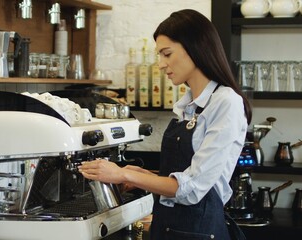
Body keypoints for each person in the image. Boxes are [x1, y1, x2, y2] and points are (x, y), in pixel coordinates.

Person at [79, 9, 252, 240]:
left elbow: (193, 188)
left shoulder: (226, 102)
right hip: (168, 229)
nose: (161, 64)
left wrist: (125, 176)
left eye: (167, 54)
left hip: (200, 232)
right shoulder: (187, 105)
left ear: (196, 47)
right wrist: (144, 174)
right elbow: (184, 174)